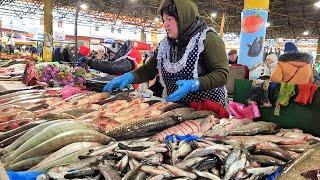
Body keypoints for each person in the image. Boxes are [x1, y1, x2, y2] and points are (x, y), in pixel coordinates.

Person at [104, 0, 229, 106]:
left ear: (184, 19)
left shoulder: (207, 39)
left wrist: (195, 84)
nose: (165, 24)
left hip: (209, 110)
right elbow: (148, 70)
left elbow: (222, 74)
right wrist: (130, 76)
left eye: (169, 19)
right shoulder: (165, 45)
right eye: (164, 20)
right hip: (179, 108)